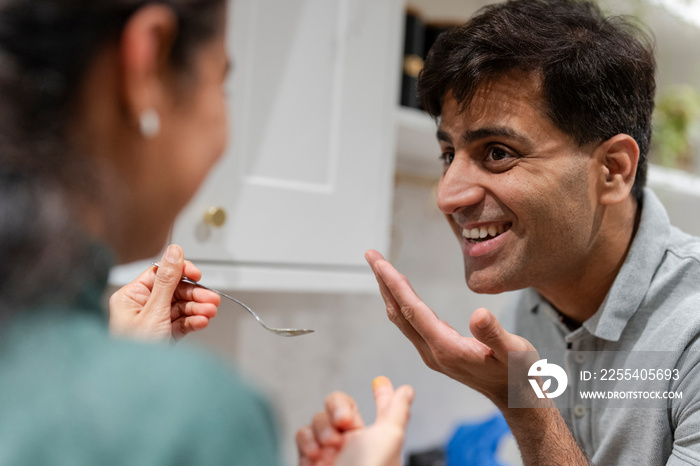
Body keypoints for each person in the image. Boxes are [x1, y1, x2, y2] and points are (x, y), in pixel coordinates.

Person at [0, 0, 413, 464]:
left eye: (496, 154)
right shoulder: (191, 418)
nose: (451, 193)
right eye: (223, 83)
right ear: (148, 64)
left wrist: (509, 392)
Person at [309, 0, 700, 464]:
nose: (448, 196)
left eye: (497, 153)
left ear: (613, 171)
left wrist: (524, 405)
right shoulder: (532, 308)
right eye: (448, 155)